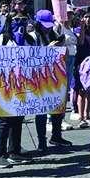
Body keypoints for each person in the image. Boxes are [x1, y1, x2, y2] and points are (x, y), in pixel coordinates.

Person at [0, 12, 33, 168]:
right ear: (10, 21)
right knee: (5, 119)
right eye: (17, 19)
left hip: (23, 83)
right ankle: (0, 154)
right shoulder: (2, 39)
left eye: (24, 19)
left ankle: (14, 151)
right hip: (5, 83)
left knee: (18, 118)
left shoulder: (29, 39)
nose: (20, 22)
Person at [32, 10, 73, 153]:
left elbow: (64, 55)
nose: (47, 28)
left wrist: (62, 47)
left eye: (49, 25)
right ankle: (41, 141)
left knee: (57, 107)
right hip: (39, 77)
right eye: (44, 25)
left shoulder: (53, 33)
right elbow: (31, 56)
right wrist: (47, 49)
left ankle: (56, 136)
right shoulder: (33, 36)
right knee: (41, 110)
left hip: (55, 76)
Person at [73, 9, 90, 127]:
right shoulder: (78, 30)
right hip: (81, 63)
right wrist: (82, 27)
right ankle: (81, 117)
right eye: (86, 17)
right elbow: (80, 42)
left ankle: (87, 115)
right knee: (82, 91)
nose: (88, 19)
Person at [54, 6, 78, 129]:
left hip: (71, 59)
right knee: (59, 90)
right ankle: (53, 120)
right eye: (65, 13)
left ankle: (60, 118)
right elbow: (55, 42)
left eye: (70, 13)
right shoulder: (58, 26)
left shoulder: (70, 28)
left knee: (65, 91)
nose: (68, 16)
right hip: (62, 60)